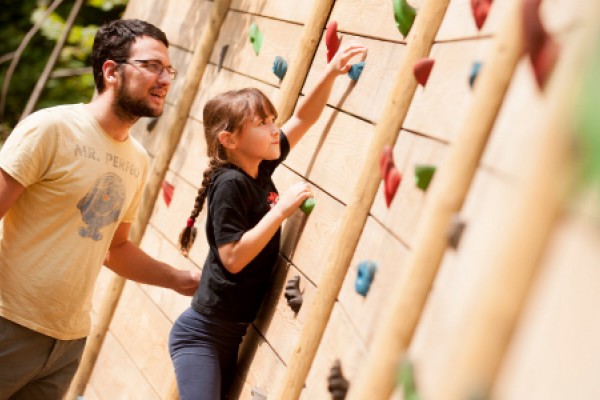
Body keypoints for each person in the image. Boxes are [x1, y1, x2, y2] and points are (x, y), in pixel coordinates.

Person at [0, 19, 200, 399]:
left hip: (67, 342)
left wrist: (178, 279)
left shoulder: (137, 160)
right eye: (152, 66)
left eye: (168, 69)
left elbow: (116, 248)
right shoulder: (51, 129)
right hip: (8, 322)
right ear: (111, 71)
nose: (164, 79)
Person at [168, 40, 368, 400]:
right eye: (261, 123)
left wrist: (331, 72)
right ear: (229, 140)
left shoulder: (258, 166)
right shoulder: (229, 184)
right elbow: (232, 257)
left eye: (272, 119)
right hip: (203, 334)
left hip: (228, 334)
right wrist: (281, 211)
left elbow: (304, 118)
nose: (274, 129)